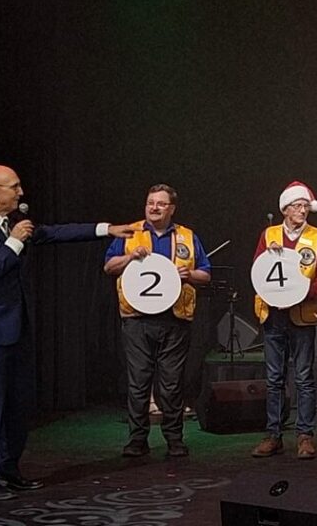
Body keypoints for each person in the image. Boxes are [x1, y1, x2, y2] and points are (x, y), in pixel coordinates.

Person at [0, 165, 134, 500]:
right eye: (14, 187)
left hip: (17, 328)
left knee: (19, 404)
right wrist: (14, 241)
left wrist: (107, 229)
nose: (21, 192)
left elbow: (54, 233)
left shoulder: (15, 221)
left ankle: (9, 469)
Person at [103, 184, 212, 459]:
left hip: (175, 320)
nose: (154, 207)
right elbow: (109, 266)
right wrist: (129, 257)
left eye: (161, 204)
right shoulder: (130, 232)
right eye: (150, 202)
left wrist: (189, 275)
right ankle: (137, 440)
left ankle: (174, 439)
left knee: (172, 383)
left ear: (171, 208)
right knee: (139, 382)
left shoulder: (187, 236)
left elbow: (205, 275)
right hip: (137, 320)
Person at [251, 181, 317, 459]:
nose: (302, 211)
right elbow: (258, 272)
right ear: (285, 209)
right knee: (274, 378)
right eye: (297, 206)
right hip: (273, 315)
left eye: (305, 206)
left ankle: (305, 436)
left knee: (303, 377)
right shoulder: (269, 235)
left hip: (302, 315)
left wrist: (301, 293)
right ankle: (273, 435)